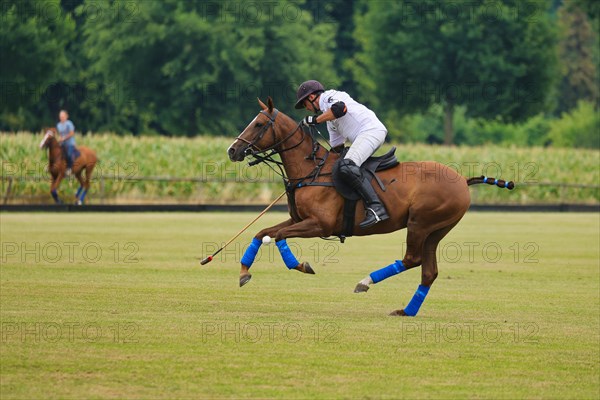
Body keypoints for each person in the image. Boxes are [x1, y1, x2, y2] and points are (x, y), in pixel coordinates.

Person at [295, 80, 389, 229]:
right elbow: (336, 149)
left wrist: (315, 120)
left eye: (304, 103)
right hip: (365, 135)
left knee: (347, 165)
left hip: (371, 131)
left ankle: (377, 207)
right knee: (340, 165)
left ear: (312, 97)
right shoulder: (330, 122)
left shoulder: (330, 97)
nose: (306, 108)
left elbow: (340, 109)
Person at [56, 110, 76, 174]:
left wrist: (64, 138)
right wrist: (59, 139)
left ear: (66, 116)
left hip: (70, 143)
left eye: (63, 116)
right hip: (62, 144)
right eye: (60, 116)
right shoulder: (58, 125)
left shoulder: (69, 123)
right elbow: (60, 134)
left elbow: (72, 133)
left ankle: (69, 168)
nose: (61, 118)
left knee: (69, 155)